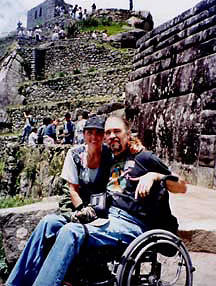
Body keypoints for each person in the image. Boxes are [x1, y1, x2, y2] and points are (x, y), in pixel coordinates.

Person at [6, 116, 186, 286]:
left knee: (71, 231)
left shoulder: (144, 158)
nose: (112, 136)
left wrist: (155, 176)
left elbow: (182, 186)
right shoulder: (110, 157)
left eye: (117, 131)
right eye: (108, 133)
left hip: (130, 224)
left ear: (128, 133)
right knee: (49, 222)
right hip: (106, 217)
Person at [6, 116, 112, 286]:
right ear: (84, 135)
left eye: (99, 133)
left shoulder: (110, 156)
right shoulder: (75, 154)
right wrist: (81, 210)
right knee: (48, 222)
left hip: (100, 213)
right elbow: (72, 189)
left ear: (104, 136)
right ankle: (17, 281)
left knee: (68, 230)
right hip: (77, 209)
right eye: (90, 132)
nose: (94, 137)